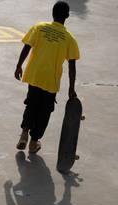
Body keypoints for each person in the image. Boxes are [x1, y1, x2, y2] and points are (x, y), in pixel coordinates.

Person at [15, 1, 80, 153]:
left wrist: (19, 65)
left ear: (52, 13)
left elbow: (27, 46)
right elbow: (72, 65)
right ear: (67, 16)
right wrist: (71, 88)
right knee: (45, 111)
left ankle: (24, 133)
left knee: (31, 104)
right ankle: (34, 141)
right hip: (51, 81)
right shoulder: (69, 38)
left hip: (35, 75)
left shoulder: (39, 28)